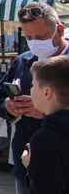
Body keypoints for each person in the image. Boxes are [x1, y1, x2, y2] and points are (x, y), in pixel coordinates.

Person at [0, 2, 69, 194]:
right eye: (29, 37)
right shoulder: (22, 61)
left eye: (41, 37)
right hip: (26, 162)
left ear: (60, 30)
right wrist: (9, 107)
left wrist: (48, 114)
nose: (34, 42)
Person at [20, 55, 69, 194]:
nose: (30, 90)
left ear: (47, 92)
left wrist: (30, 166)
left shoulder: (45, 139)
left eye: (33, 85)